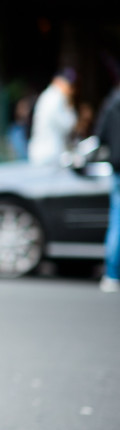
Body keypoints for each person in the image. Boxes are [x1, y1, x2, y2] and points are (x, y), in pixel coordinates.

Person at [95, 81, 120, 292]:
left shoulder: (112, 104)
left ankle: (112, 275)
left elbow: (100, 137)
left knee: (117, 222)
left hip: (118, 169)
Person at [27, 68, 77, 166]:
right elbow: (68, 124)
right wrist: (70, 106)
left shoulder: (48, 95)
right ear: (58, 81)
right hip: (49, 153)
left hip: (41, 151)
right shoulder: (57, 97)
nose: (71, 89)